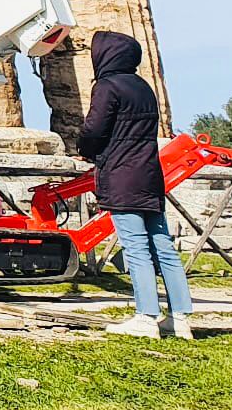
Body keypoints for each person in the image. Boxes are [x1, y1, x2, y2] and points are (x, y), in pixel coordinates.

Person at [78, 30, 191, 339]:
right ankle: (180, 318)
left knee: (136, 247)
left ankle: (146, 317)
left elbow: (94, 129)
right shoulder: (144, 88)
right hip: (150, 175)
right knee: (163, 246)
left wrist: (84, 149)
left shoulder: (107, 87)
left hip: (122, 175)